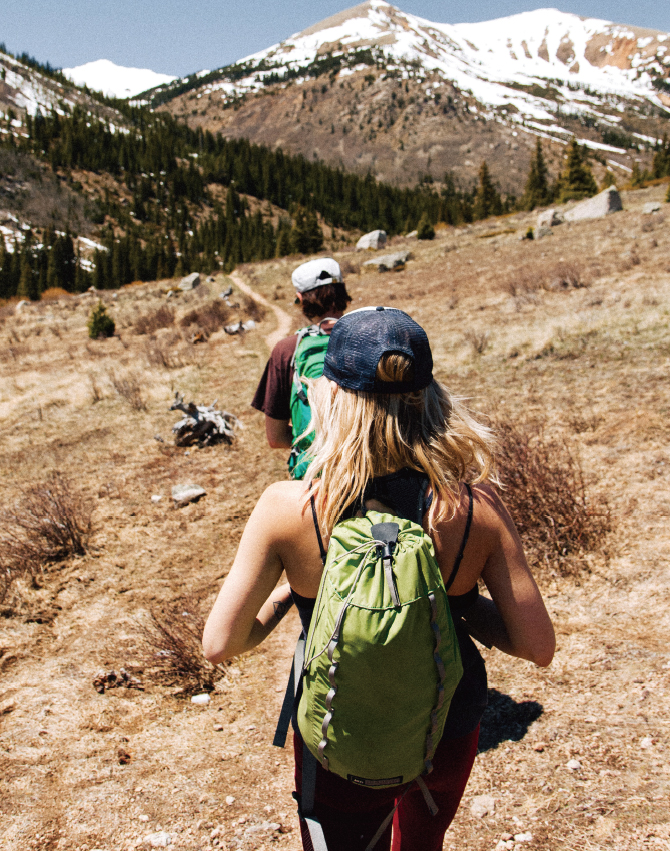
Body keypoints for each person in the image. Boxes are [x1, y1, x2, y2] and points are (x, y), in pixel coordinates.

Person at [204, 306, 555, 851]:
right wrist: (453, 602)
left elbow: (220, 643)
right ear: (432, 396)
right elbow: (537, 646)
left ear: (332, 396)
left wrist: (283, 600)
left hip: (339, 730)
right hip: (447, 722)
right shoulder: (475, 508)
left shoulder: (287, 509)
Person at [251, 257, 351, 468]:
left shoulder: (288, 349)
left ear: (300, 299)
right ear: (342, 293)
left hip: (317, 477)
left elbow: (275, 438)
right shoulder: (373, 339)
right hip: (374, 474)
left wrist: (312, 442)